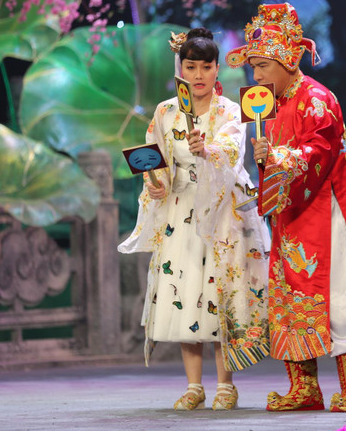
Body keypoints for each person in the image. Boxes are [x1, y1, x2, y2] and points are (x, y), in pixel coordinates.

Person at [225, 3, 346, 413]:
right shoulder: (273, 105)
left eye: (263, 66)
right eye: (254, 67)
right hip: (292, 213)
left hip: (326, 212)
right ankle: (304, 388)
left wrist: (277, 157)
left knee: (337, 296)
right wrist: (265, 158)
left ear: (289, 61)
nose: (256, 76)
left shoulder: (317, 99)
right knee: (289, 297)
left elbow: (319, 152)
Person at [119, 27, 270, 411]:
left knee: (220, 294)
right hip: (181, 210)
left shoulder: (230, 111)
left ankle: (225, 385)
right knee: (185, 294)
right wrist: (156, 185)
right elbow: (156, 158)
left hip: (221, 213)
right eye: (191, 67)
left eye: (206, 67)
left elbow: (232, 153)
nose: (198, 75)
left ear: (217, 69)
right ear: (180, 69)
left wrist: (208, 151)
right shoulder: (166, 111)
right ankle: (193, 385)